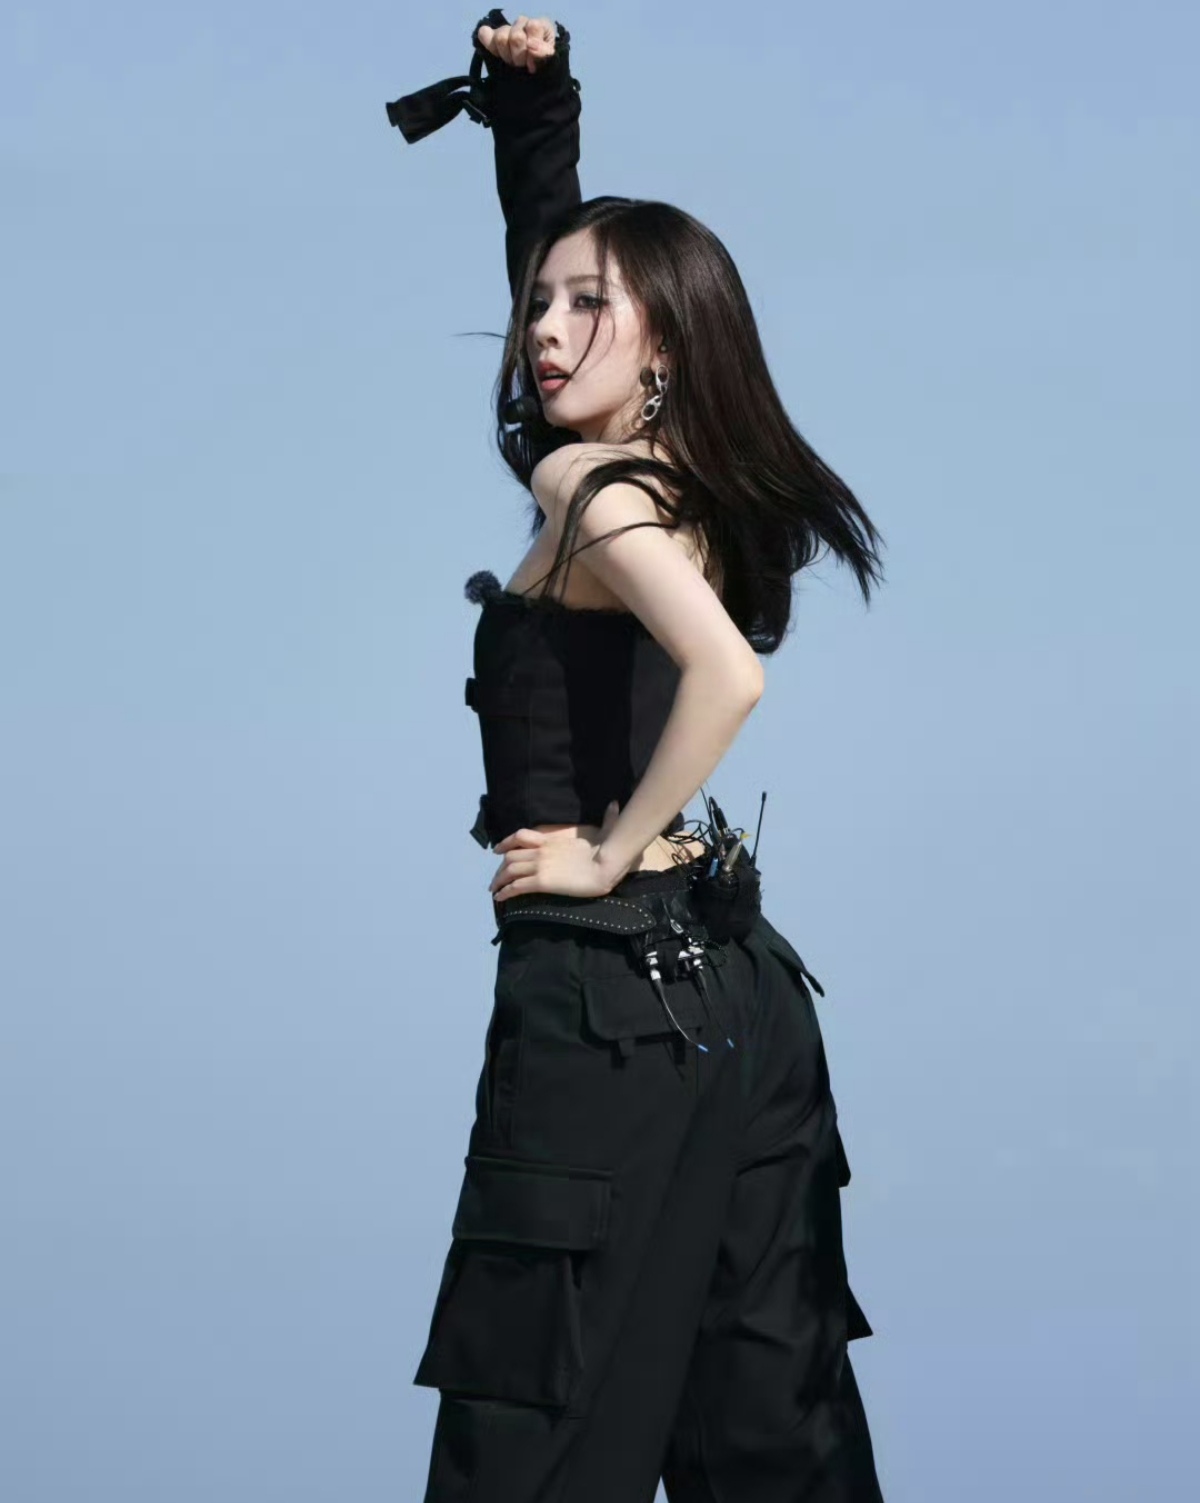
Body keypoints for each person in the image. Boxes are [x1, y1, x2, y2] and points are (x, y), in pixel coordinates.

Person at [386, 11, 888, 1501]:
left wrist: (602, 855)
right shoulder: (684, 480)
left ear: (661, 341)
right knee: (769, 1440)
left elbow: (728, 676)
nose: (542, 329)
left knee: (532, 1443)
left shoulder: (592, 490)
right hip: (743, 1000)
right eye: (537, 304)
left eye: (585, 307)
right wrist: (535, 107)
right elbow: (560, 268)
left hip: (604, 1002)